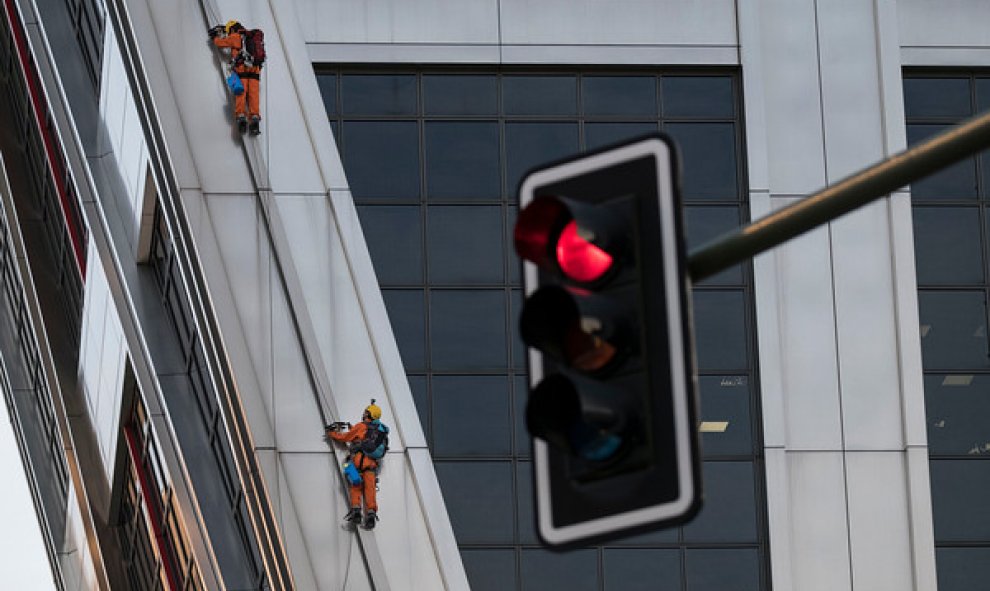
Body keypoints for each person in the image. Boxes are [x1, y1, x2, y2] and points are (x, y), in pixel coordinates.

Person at [326, 401, 387, 529]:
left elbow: (345, 437)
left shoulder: (360, 427)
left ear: (368, 414)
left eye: (366, 412)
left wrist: (331, 433)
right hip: (371, 466)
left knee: (355, 486)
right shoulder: (379, 431)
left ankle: (356, 511)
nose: (363, 414)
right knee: (370, 490)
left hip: (357, 464)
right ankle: (371, 514)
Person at [208, 20, 263, 135]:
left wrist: (214, 37)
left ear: (232, 29)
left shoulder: (235, 36)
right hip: (255, 69)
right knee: (254, 95)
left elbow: (220, 43)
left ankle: (241, 117)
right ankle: (254, 119)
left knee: (241, 93)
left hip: (242, 68)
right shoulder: (250, 36)